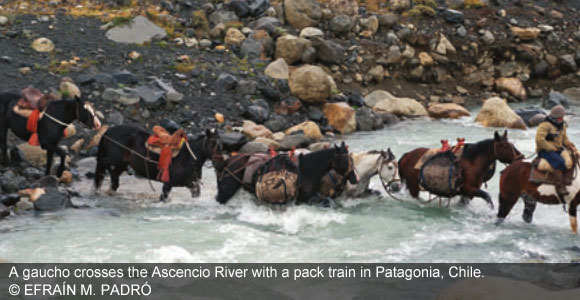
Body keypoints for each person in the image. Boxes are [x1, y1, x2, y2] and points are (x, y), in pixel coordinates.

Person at [535, 105, 576, 197]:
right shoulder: (545, 125)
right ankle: (559, 186)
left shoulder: (561, 125)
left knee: (572, 158)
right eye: (561, 117)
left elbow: (564, 139)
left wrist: (569, 144)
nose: (562, 118)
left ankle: (566, 179)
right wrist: (551, 148)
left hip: (558, 149)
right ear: (557, 117)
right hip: (545, 150)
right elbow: (539, 140)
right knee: (559, 162)